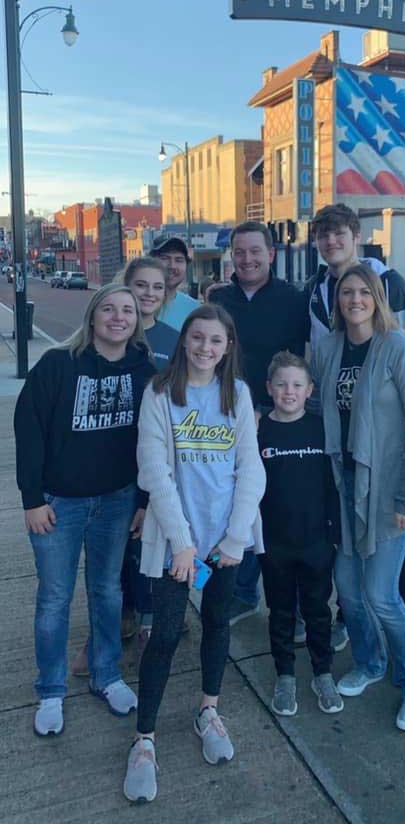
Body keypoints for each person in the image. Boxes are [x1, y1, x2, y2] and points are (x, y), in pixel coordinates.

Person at [123, 304, 265, 803]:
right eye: (198, 338)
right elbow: (154, 473)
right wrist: (183, 544)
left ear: (228, 348)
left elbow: (251, 469)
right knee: (162, 635)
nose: (206, 348)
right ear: (184, 341)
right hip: (175, 546)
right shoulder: (161, 393)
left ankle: (208, 709)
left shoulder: (239, 395)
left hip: (223, 543)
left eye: (216, 341)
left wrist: (232, 539)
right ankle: (144, 739)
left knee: (216, 624)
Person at [14, 284, 155, 737]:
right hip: (59, 504)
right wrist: (32, 499)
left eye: (127, 311)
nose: (118, 317)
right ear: (93, 317)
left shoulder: (144, 370)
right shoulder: (59, 365)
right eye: (109, 309)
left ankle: (106, 675)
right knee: (54, 598)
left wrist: (144, 501)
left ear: (137, 320)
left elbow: (153, 444)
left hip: (117, 501)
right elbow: (29, 431)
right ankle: (51, 689)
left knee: (108, 593)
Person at [306, 202, 405, 644]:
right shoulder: (315, 290)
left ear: (355, 236)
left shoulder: (386, 282)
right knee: (352, 563)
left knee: (396, 562)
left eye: (339, 233)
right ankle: (359, 629)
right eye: (324, 235)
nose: (332, 241)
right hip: (344, 447)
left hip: (389, 445)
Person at [313, 264, 405, 732]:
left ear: (377, 299)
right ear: (338, 301)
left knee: (381, 595)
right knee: (348, 590)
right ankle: (370, 662)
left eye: (365, 292)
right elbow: (315, 405)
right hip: (344, 485)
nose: (356, 300)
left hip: (390, 491)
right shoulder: (327, 348)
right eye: (347, 292)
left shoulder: (399, 346)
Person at [70, 258, 181, 678]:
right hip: (111, 460)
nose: (149, 293)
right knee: (111, 553)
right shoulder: (111, 333)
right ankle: (108, 629)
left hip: (155, 459)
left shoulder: (174, 337)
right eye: (140, 286)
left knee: (151, 544)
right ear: (125, 288)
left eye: (157, 287)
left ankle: (153, 619)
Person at [209, 221, 309, 627]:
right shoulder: (219, 300)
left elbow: (307, 356)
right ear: (232, 255)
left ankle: (296, 607)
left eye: (255, 251)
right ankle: (243, 594)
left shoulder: (293, 300)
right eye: (240, 251)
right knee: (239, 508)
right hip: (228, 420)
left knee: (284, 512)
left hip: (278, 418)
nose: (247, 259)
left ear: (271, 254)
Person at [258, 351, 342, 718]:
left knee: (317, 611)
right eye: (281, 384)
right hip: (274, 543)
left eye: (296, 385)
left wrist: (333, 535)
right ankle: (286, 674)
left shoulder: (321, 427)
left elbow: (333, 486)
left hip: (315, 543)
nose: (288, 392)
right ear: (269, 388)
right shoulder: (260, 430)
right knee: (280, 612)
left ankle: (322, 671)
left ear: (309, 390)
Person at [151, 236, 199, 330]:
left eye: (179, 260)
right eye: (165, 258)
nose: (172, 266)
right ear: (150, 261)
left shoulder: (195, 308)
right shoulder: (134, 304)